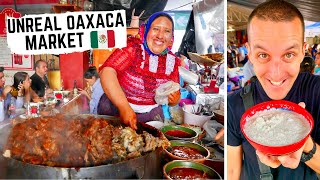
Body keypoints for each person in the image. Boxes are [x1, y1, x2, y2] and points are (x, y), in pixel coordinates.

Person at [227, 1, 320, 180]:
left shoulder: (317, 92)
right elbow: (231, 172)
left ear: (303, 51)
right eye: (263, 55)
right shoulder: (234, 104)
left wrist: (306, 146)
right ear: (250, 53)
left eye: (288, 55)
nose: (276, 74)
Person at [97, 12, 181, 130]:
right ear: (146, 31)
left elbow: (174, 95)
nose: (160, 36)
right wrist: (124, 107)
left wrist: (175, 99)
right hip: (116, 109)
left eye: (167, 31)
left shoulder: (172, 61)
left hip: (150, 116)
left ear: (171, 37)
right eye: (156, 29)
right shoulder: (133, 48)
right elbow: (107, 71)